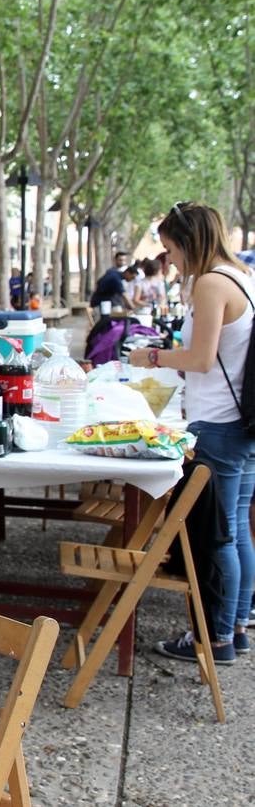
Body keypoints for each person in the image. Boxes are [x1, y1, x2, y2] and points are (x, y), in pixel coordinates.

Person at [129, 201, 255, 665]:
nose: (170, 261)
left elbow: (201, 358)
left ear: (188, 242)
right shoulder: (242, 275)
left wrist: (153, 357)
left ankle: (214, 638)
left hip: (218, 423)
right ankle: (235, 628)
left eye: (171, 250)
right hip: (242, 422)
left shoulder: (210, 283)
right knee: (237, 529)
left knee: (217, 537)